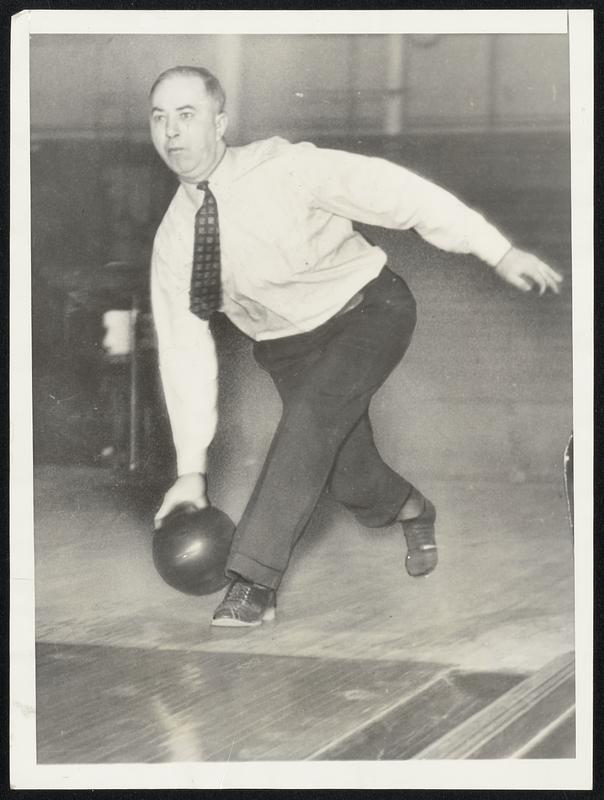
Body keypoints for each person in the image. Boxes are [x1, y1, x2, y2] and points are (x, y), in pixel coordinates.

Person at [149, 66, 563, 628]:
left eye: (187, 114)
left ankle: (254, 582)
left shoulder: (287, 168)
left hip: (367, 311)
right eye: (159, 117)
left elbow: (400, 194)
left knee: (309, 421)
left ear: (220, 122)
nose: (172, 131)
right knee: (350, 477)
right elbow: (183, 349)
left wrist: (496, 250)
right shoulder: (175, 239)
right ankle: (413, 508)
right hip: (287, 347)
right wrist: (191, 470)